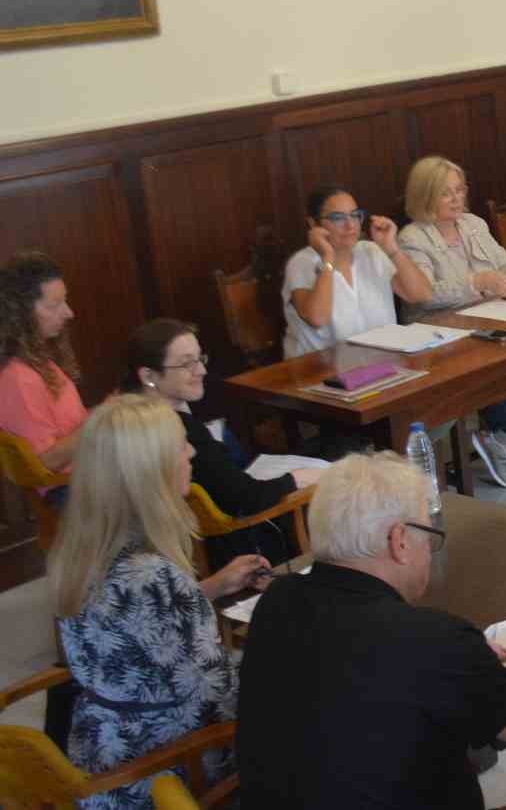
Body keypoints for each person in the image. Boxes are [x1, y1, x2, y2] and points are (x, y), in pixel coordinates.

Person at [238, 452, 506, 810]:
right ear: (399, 540)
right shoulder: (439, 644)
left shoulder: (277, 599)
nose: (429, 551)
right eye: (428, 534)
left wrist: (464, 669)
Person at [49, 394, 271, 809]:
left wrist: (210, 587)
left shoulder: (82, 547)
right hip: (167, 771)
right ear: (148, 470)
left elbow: (131, 628)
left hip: (101, 751)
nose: (190, 452)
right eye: (180, 446)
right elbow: (215, 695)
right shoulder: (153, 575)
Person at [398, 156, 506, 488]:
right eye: (446, 193)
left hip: (495, 322)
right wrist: (476, 283)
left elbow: (503, 264)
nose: (457, 199)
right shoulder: (412, 238)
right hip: (444, 336)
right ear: (425, 196)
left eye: (460, 189)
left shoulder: (473, 223)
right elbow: (424, 295)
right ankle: (497, 435)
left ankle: (505, 438)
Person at [122, 318, 321, 568]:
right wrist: (300, 478)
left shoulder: (126, 419)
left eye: (200, 359)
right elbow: (244, 499)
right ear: (149, 375)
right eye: (187, 364)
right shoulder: (176, 429)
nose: (201, 371)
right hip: (235, 551)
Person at [283, 183, 432, 358]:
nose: (350, 225)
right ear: (313, 223)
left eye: (355, 216)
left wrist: (391, 249)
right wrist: (328, 258)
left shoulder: (371, 251)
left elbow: (421, 294)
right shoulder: (301, 263)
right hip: (320, 370)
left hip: (380, 361)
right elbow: (317, 318)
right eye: (338, 218)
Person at [0, 251, 85, 475]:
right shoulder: (18, 378)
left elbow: (71, 428)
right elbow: (45, 462)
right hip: (70, 490)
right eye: (54, 305)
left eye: (65, 301)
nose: (69, 313)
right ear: (21, 313)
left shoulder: (38, 363)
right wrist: (100, 422)